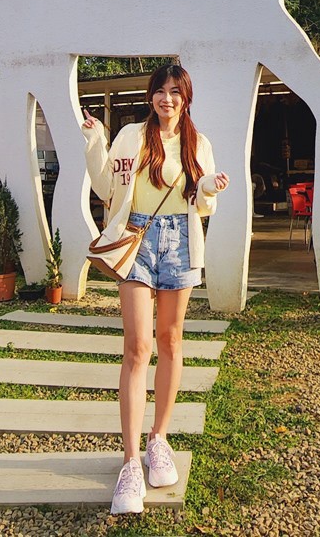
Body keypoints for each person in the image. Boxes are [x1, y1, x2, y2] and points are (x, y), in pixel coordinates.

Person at [82, 63, 229, 515]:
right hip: (137, 238)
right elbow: (107, 186)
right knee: (137, 346)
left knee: (170, 340)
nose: (167, 99)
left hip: (180, 240)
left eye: (176, 92)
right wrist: (95, 142)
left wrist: (207, 184)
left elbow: (205, 201)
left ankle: (158, 440)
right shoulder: (130, 136)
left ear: (186, 98)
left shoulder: (196, 142)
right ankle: (129, 462)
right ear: (151, 96)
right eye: (161, 91)